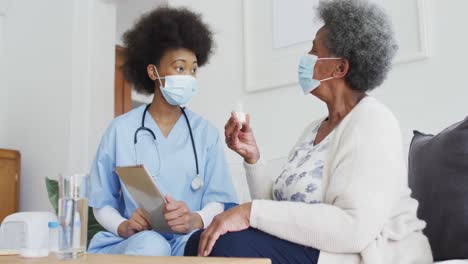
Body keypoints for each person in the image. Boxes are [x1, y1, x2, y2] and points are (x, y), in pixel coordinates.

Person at [184, 0, 433, 263]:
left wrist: (249, 212)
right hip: (309, 247)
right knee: (200, 240)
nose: (306, 58)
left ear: (340, 68)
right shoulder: (315, 129)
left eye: (314, 50)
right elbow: (279, 211)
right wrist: (253, 158)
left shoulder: (373, 121)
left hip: (360, 253)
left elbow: (353, 228)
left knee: (223, 245)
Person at [87, 7, 237, 256]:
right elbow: (101, 203)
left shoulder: (205, 133)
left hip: (187, 240)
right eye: (180, 68)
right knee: (151, 245)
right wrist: (124, 226)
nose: (189, 76)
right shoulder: (121, 130)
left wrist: (194, 219)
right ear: (152, 72)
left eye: (193, 69)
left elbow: (219, 201)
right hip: (139, 241)